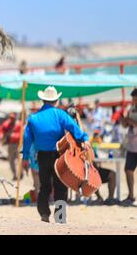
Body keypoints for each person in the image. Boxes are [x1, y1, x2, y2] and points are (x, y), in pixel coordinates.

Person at [22, 86, 91, 223]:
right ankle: (60, 217)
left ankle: (44, 214)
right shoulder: (60, 114)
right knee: (61, 186)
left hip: (41, 156)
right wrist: (85, 138)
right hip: (60, 156)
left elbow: (27, 139)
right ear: (56, 100)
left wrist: (24, 157)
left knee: (44, 186)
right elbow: (73, 127)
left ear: (42, 100)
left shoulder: (33, 118)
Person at [120, 88, 137, 206]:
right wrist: (125, 121)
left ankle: (131, 196)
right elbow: (126, 126)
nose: (133, 100)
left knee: (129, 170)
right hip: (132, 145)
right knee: (128, 170)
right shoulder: (132, 109)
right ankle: (131, 196)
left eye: (134, 98)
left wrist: (131, 121)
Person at [0, 113, 22, 180]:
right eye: (11, 117)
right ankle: (14, 174)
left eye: (13, 118)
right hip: (10, 144)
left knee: (19, 159)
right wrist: (1, 136)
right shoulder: (6, 123)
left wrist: (14, 136)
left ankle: (20, 173)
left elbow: (23, 134)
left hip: (18, 144)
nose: (12, 119)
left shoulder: (19, 124)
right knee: (11, 160)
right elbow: (0, 130)